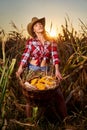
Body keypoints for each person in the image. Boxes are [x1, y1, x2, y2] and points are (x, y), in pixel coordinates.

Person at [16, 17, 67, 120]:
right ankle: (30, 123)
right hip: (32, 70)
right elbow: (26, 55)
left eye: (40, 24)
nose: (39, 25)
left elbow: (55, 56)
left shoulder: (51, 41)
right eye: (36, 25)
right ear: (33, 30)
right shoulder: (31, 42)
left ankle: (66, 120)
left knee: (58, 95)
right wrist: (20, 68)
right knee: (30, 98)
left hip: (46, 71)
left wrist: (57, 70)